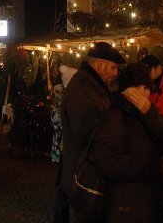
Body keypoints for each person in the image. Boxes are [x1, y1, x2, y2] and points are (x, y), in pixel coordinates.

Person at [91, 63, 163, 222]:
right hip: (125, 206)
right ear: (125, 89)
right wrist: (152, 166)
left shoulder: (146, 113)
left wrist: (150, 114)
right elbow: (107, 163)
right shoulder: (115, 115)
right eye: (136, 86)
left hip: (147, 201)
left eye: (146, 87)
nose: (143, 92)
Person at [55, 41, 125, 223]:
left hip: (84, 172)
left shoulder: (89, 85)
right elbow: (91, 134)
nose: (115, 73)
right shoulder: (84, 90)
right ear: (100, 65)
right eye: (113, 68)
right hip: (84, 175)